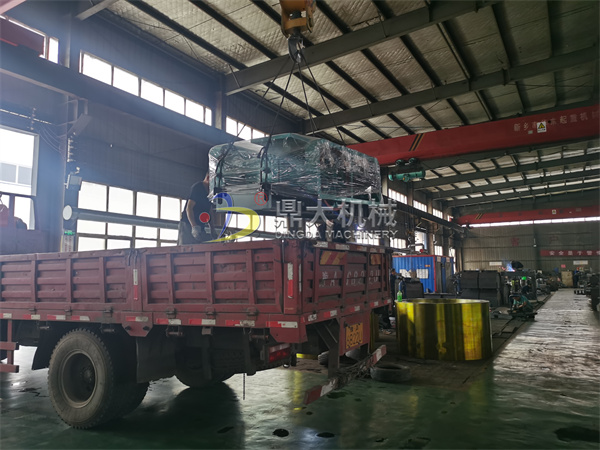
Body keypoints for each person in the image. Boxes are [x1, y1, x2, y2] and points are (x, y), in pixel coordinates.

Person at [178, 174, 212, 245]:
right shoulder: (198, 188)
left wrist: (212, 228)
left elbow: (209, 212)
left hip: (200, 225)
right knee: (186, 248)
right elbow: (189, 208)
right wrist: (194, 226)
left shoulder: (210, 193)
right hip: (188, 224)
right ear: (208, 178)